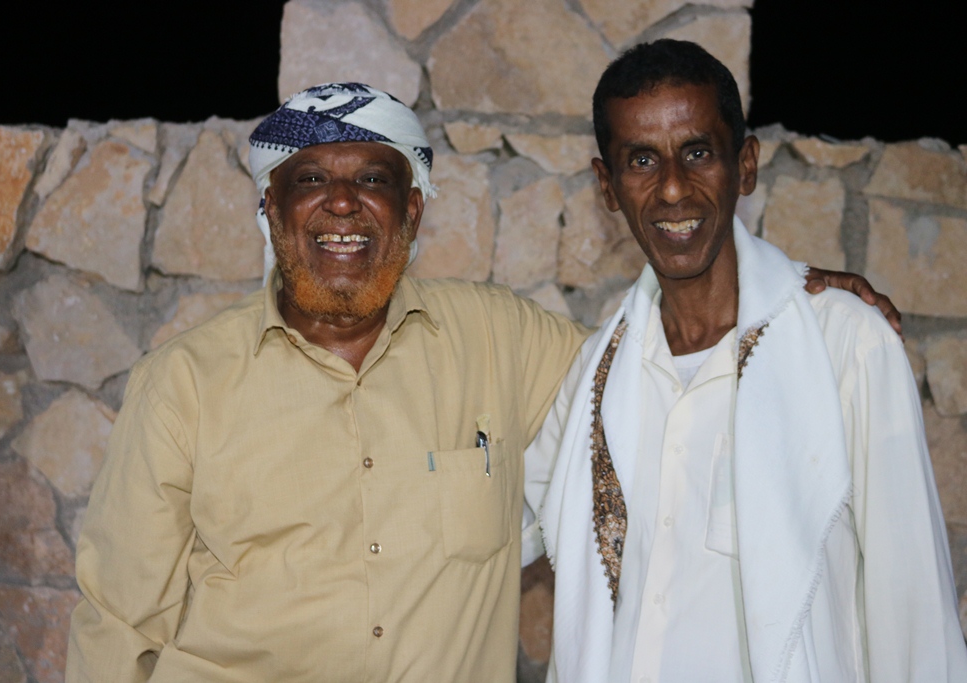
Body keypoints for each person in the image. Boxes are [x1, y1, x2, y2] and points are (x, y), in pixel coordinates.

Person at [66, 81, 900, 682]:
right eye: (311, 179)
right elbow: (116, 620)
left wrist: (786, 292)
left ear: (414, 210)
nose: (343, 204)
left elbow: (661, 368)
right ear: (271, 210)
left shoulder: (502, 339)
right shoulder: (183, 383)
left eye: (373, 179)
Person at [529, 40, 967, 683]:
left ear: (746, 165)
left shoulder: (845, 344)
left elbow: (913, 605)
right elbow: (494, 523)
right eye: (642, 160)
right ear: (607, 186)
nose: (672, 188)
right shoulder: (595, 375)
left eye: (698, 153)